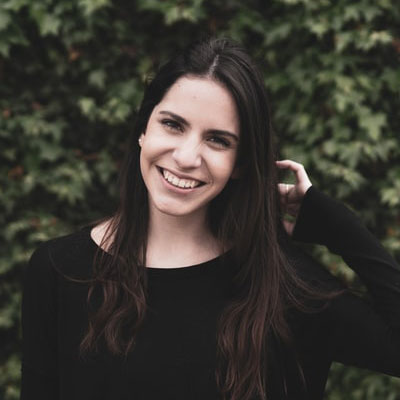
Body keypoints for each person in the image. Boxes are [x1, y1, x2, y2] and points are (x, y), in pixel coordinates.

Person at [20, 37, 400, 400]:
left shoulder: (284, 287)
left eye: (218, 140)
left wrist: (337, 225)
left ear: (240, 164)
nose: (186, 157)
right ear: (143, 129)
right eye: (173, 124)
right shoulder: (59, 269)